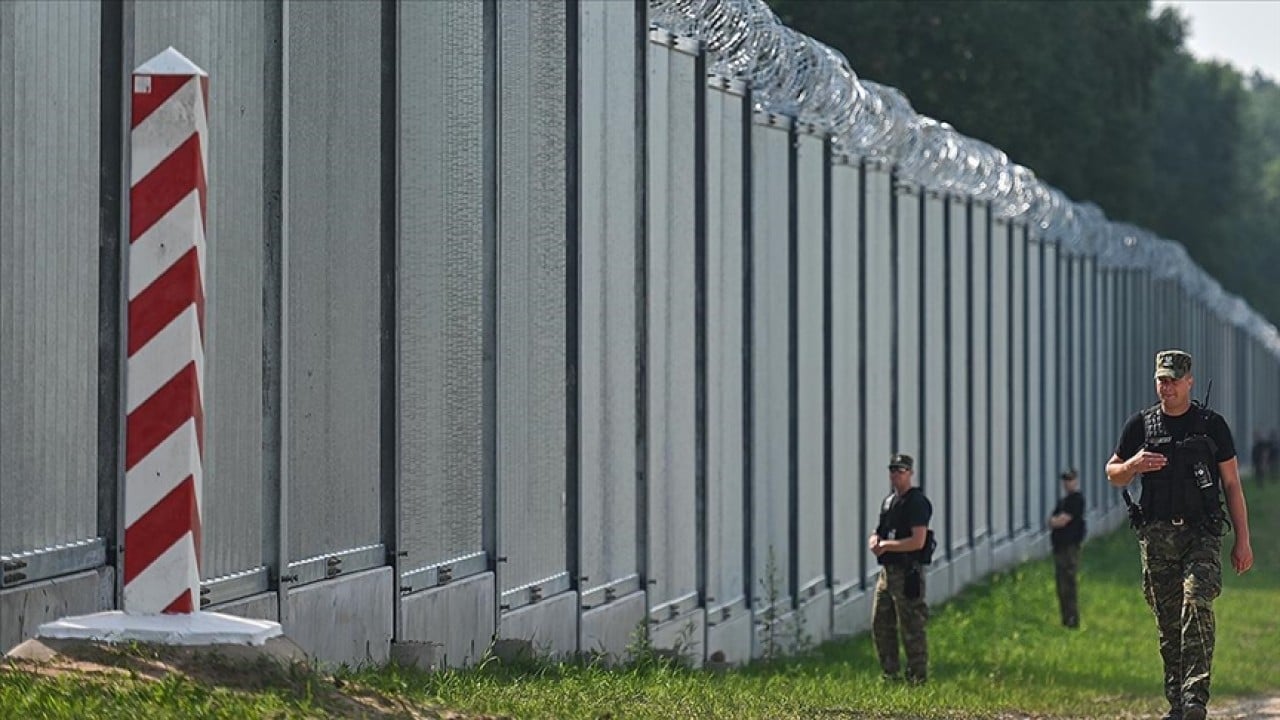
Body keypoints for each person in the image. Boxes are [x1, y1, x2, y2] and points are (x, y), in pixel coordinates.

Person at [1106, 350, 1254, 720]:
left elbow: (1232, 484)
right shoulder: (1140, 425)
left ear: (1189, 381)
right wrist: (1132, 465)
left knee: (1196, 603)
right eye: (1161, 379)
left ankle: (1195, 699)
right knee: (1168, 621)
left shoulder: (1210, 426)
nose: (1166, 386)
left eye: (1173, 379)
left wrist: (1243, 539)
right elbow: (1113, 473)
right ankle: (1177, 702)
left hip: (1200, 535)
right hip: (1156, 538)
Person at [868, 453, 933, 684]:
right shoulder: (889, 502)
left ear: (911, 473)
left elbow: (918, 541)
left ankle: (917, 676)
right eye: (893, 470)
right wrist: (875, 540)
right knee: (881, 623)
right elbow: (880, 529)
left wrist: (887, 546)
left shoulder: (916, 503)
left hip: (907, 572)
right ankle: (890, 673)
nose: (896, 475)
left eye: (901, 471)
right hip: (887, 572)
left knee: (911, 625)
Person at [1048, 468, 1086, 628]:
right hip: (1059, 547)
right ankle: (1066, 618)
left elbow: (1060, 521)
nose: (1067, 483)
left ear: (1075, 481)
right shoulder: (1063, 502)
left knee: (1069, 584)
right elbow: (1051, 521)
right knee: (1061, 585)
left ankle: (1072, 619)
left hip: (1070, 547)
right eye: (1065, 480)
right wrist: (1055, 521)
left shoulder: (1076, 500)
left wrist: (1056, 521)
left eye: (1070, 480)